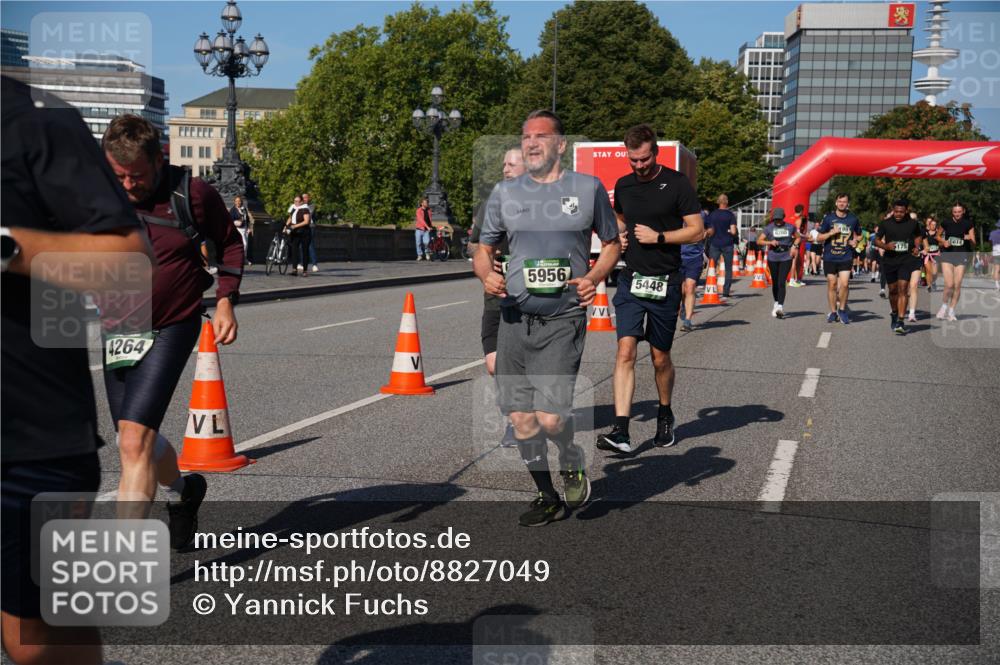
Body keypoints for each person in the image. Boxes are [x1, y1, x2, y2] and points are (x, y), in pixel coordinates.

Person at [2, 76, 155, 665]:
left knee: (34, 643)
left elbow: (127, 263)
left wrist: (7, 247)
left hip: (27, 434)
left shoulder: (34, 119)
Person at [101, 114, 242, 545]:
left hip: (170, 325)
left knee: (133, 444)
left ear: (159, 160)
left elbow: (230, 241)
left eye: (136, 176)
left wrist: (224, 299)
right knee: (133, 436)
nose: (127, 185)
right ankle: (184, 491)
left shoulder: (191, 193)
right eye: (118, 175)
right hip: (117, 329)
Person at [475, 110, 620, 527]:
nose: (531, 143)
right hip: (514, 319)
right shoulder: (504, 193)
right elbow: (483, 249)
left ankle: (570, 456)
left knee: (551, 418)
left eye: (541, 136)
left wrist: (594, 276)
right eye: (525, 137)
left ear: (561, 145)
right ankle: (546, 495)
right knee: (521, 419)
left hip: (562, 318)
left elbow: (611, 243)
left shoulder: (588, 189)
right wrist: (488, 274)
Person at [595, 123, 703, 455]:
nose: (639, 166)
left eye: (644, 159)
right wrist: (620, 234)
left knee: (660, 358)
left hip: (665, 281)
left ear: (654, 152)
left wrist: (659, 237)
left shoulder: (677, 183)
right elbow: (620, 218)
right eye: (633, 160)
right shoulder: (624, 185)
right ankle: (621, 430)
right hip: (631, 280)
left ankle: (665, 412)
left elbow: (697, 231)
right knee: (625, 351)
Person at [470, 147, 526, 447]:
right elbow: (473, 245)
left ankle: (519, 420)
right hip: (496, 299)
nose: (505, 169)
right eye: (503, 163)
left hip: (530, 301)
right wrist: (484, 263)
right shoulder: (490, 205)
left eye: (511, 164)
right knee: (494, 364)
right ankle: (516, 417)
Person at [874, 199, 926, 335]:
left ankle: (901, 321)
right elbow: (876, 240)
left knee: (903, 288)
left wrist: (917, 247)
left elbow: (918, 236)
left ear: (906, 211)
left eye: (901, 212)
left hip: (906, 260)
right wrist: (886, 246)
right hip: (890, 260)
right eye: (896, 211)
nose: (898, 214)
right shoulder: (886, 223)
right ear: (893, 210)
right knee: (893, 291)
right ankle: (895, 313)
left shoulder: (913, 224)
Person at [815, 193, 861, 324]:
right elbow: (819, 238)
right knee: (832, 285)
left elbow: (859, 235)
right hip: (830, 256)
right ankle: (833, 312)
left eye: (844, 201)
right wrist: (831, 233)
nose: (842, 203)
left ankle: (842, 310)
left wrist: (855, 241)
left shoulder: (853, 219)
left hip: (846, 256)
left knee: (845, 284)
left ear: (848, 204)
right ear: (836, 203)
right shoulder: (829, 219)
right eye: (840, 201)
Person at [935, 202, 976, 321]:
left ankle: (951, 311)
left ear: (963, 211)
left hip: (962, 255)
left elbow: (974, 242)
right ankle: (943, 307)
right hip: (947, 254)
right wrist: (944, 242)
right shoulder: (946, 222)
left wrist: (968, 238)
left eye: (959, 212)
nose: (957, 214)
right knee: (949, 284)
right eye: (955, 212)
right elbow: (937, 236)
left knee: (957, 285)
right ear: (952, 212)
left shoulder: (968, 223)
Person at [758, 207, 800, 319]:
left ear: (783, 217)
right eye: (776, 219)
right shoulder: (769, 228)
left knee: (782, 282)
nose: (778, 221)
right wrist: (769, 242)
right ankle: (776, 302)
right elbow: (759, 240)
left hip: (786, 257)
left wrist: (794, 247)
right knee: (775, 282)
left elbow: (798, 238)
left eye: (779, 219)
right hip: (773, 257)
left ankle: (780, 307)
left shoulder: (790, 227)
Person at [704, 194, 737, 298]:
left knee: (712, 267)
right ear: (726, 202)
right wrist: (729, 231)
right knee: (728, 268)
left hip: (714, 243)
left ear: (718, 202)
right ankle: (726, 291)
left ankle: (709, 288)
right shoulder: (730, 215)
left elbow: (708, 229)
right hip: (727, 244)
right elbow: (733, 231)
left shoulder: (712, 215)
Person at [679, 238, 704, 331]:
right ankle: (684, 305)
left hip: (695, 258)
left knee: (690, 287)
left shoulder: (701, 222)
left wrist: (705, 232)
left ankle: (687, 321)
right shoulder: (676, 222)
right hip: (677, 258)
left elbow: (711, 229)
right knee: (681, 291)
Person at [286, 195, 311, 276]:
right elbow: (290, 218)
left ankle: (305, 270)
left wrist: (295, 226)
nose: (295, 203)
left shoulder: (305, 209)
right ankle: (294, 269)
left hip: (304, 232)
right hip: (295, 232)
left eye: (297, 201)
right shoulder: (293, 208)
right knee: (294, 249)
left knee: (304, 251)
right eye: (294, 201)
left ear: (301, 202)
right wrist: (286, 226)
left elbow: (306, 221)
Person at [229, 195, 254, 266]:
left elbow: (247, 219)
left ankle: (244, 259)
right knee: (243, 244)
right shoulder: (233, 210)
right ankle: (239, 259)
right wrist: (236, 222)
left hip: (245, 229)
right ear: (234, 202)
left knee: (246, 245)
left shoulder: (244, 209)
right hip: (237, 229)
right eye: (236, 201)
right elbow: (230, 220)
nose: (238, 202)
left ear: (241, 202)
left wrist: (249, 227)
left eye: (239, 201)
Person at [787, 204, 806, 286]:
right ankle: (792, 280)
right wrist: (806, 236)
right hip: (795, 241)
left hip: (788, 240)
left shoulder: (789, 218)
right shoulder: (799, 219)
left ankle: (796, 279)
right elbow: (798, 232)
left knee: (796, 261)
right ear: (801, 211)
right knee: (794, 261)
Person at [922, 216, 941, 293]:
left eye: (935, 225)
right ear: (929, 225)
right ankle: (929, 285)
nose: (933, 226)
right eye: (932, 224)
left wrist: (940, 249)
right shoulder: (925, 233)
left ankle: (933, 282)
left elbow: (941, 243)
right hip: (927, 255)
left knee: (934, 272)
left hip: (936, 254)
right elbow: (921, 242)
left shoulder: (938, 234)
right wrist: (923, 249)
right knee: (928, 271)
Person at [303, 192, 319, 272]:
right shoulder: (298, 206)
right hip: (301, 226)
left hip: (310, 226)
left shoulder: (311, 206)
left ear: (309, 198)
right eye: (303, 197)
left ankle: (314, 264)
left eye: (306, 197)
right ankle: (302, 263)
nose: (304, 199)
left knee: (310, 245)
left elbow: (309, 214)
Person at [990, 219, 1000, 292]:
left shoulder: (992, 233)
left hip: (996, 252)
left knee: (997, 269)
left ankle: (997, 286)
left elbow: (991, 241)